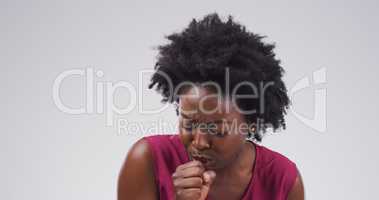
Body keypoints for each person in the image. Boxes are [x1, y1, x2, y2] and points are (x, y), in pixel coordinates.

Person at [118, 13, 305, 200]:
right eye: (189, 124)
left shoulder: (283, 181)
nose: (199, 142)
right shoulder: (148, 161)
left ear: (251, 122)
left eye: (217, 130)